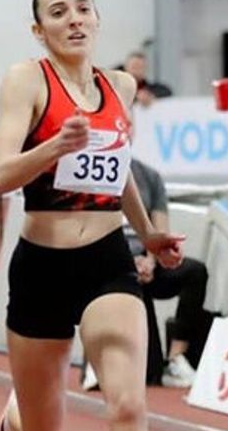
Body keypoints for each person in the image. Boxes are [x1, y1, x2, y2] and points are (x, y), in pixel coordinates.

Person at [0, 0, 183, 431]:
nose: (73, 19)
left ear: (97, 19)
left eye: (82, 8)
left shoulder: (119, 87)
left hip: (106, 260)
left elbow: (117, 168)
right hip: (41, 266)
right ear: (39, 29)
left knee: (129, 405)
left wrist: (147, 232)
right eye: (58, 12)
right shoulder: (26, 81)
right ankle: (19, 412)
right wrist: (54, 146)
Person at [86, 159, 212, 390]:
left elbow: (159, 229)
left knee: (195, 272)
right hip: (112, 261)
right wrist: (127, 261)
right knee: (149, 374)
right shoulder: (93, 171)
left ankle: (176, 358)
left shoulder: (149, 177)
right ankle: (98, 360)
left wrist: (151, 261)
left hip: (146, 260)